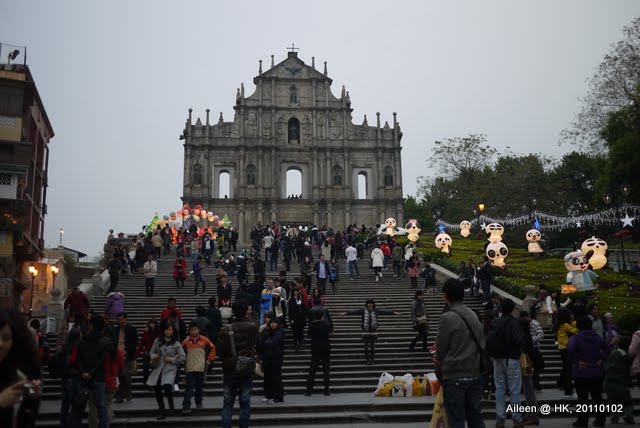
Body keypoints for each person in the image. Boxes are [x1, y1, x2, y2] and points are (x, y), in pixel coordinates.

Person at [434, 278, 486, 428]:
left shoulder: (447, 317)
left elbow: (440, 349)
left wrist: (438, 359)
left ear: (446, 295)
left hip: (455, 376)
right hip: (474, 374)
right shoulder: (473, 314)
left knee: (456, 420)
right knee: (475, 417)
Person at [217, 300, 259, 428]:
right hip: (246, 370)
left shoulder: (225, 330)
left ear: (233, 312)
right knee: (245, 402)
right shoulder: (253, 327)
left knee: (228, 402)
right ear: (246, 311)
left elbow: (220, 352)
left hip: (229, 370)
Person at [486, 298, 525, 428]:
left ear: (501, 308)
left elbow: (489, 339)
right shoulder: (514, 323)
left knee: (499, 389)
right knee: (514, 390)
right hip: (512, 358)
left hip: (498, 359)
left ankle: (500, 419)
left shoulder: (495, 321)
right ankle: (517, 419)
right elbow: (519, 340)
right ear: (513, 309)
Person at [0, 310, 42, 428]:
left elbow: (23, 417)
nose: (0, 344)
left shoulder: (18, 375)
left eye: (6, 338)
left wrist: (31, 397)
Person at [566, 317, 611, 428]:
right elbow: (608, 348)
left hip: (581, 372)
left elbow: (569, 348)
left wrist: (576, 360)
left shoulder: (576, 338)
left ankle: (582, 421)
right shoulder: (597, 337)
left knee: (583, 399)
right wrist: (602, 357)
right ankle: (600, 420)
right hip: (595, 370)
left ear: (578, 326)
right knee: (597, 397)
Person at [76, 316, 112, 428]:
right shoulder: (106, 341)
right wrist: (91, 373)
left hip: (83, 377)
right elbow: (101, 360)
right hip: (98, 377)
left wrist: (84, 372)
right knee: (101, 405)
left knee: (78, 405)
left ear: (91, 326)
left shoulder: (82, 340)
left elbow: (78, 359)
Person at [147, 324, 186, 420]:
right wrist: (154, 356)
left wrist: (172, 359)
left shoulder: (176, 343)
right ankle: (162, 411)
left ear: (173, 331)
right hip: (158, 368)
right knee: (157, 389)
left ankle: (171, 407)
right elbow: (151, 352)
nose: (167, 331)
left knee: (167, 386)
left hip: (169, 368)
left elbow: (183, 357)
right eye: (166, 329)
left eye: (170, 330)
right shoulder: (158, 341)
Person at [344, 299, 399, 365]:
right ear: (366, 304)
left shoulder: (376, 310)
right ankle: (367, 360)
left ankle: (372, 360)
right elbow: (355, 312)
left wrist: (393, 312)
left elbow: (384, 311)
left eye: (371, 303)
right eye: (368, 303)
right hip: (365, 332)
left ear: (373, 304)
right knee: (366, 348)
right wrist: (347, 313)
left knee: (373, 348)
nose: (370, 305)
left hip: (373, 332)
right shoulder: (363, 310)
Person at [181, 322, 216, 414]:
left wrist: (209, 359)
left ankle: (199, 402)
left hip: (200, 366)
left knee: (199, 386)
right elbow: (180, 351)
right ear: (189, 331)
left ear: (198, 330)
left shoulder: (204, 340)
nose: (194, 331)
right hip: (189, 367)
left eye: (195, 329)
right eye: (192, 330)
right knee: (189, 387)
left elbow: (213, 348)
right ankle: (186, 405)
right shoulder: (185, 341)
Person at [604, 335, 635, 425]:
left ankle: (614, 418)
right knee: (627, 401)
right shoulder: (626, 356)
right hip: (621, 383)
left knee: (613, 402)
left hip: (608, 383)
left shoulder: (612, 353)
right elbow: (631, 371)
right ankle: (628, 415)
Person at [305, 311, 332, 396]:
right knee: (326, 370)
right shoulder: (326, 325)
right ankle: (326, 390)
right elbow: (330, 332)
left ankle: (308, 391)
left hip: (315, 349)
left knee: (312, 370)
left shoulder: (312, 325)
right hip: (325, 349)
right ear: (322, 317)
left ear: (315, 317)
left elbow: (308, 335)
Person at [114, 312, 138, 403]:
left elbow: (135, 343)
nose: (120, 321)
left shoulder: (131, 329)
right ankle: (120, 396)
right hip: (117, 355)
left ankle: (127, 392)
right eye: (118, 320)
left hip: (127, 356)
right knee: (119, 376)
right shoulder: (115, 330)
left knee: (124, 374)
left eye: (121, 319)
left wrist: (127, 351)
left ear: (125, 319)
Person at [260, 317, 285, 403]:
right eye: (271, 322)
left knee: (276, 377)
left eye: (274, 322)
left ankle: (278, 397)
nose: (272, 324)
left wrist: (266, 342)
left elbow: (271, 343)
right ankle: (270, 396)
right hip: (269, 358)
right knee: (269, 377)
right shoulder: (270, 332)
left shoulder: (278, 332)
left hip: (276, 358)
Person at [555, 307, 578, 398]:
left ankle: (563, 385)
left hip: (562, 348)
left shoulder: (561, 325)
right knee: (568, 371)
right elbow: (575, 330)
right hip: (566, 349)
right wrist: (574, 321)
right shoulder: (565, 325)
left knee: (566, 369)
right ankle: (568, 391)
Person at [136, 319, 161, 386]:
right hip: (147, 353)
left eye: (153, 323)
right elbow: (142, 343)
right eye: (150, 323)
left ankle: (153, 383)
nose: (151, 325)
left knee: (154, 370)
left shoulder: (159, 333)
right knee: (145, 368)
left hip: (155, 354)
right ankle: (146, 381)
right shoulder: (146, 332)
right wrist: (137, 353)